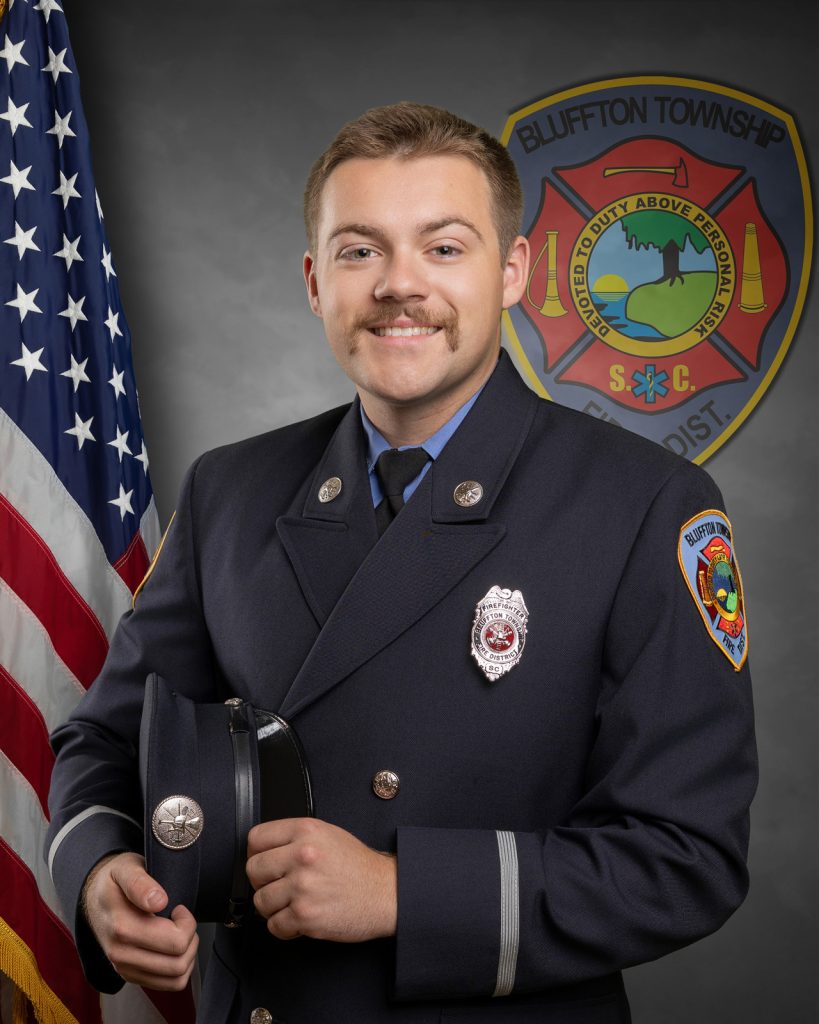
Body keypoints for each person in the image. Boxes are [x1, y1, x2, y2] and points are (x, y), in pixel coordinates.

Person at [46, 102, 757, 1024]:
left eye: (444, 248)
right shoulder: (233, 489)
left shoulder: (645, 505)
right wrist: (102, 875)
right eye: (359, 250)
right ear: (314, 280)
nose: (397, 285)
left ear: (511, 272)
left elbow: (686, 858)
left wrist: (400, 892)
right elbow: (100, 741)